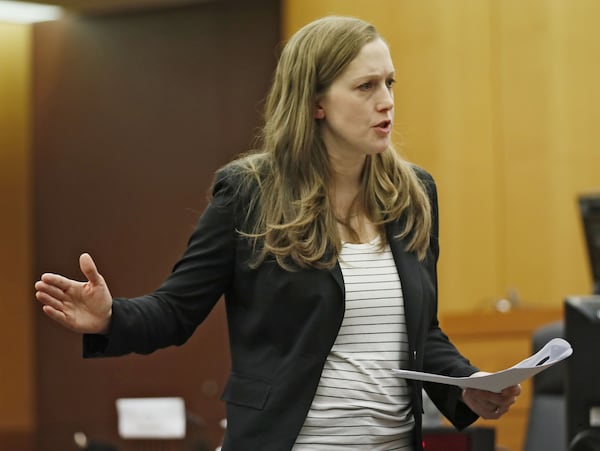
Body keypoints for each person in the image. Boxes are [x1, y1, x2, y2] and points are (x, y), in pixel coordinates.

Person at [35, 15, 521, 451]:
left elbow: (422, 333)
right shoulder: (250, 193)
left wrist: (468, 382)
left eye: (390, 83)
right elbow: (176, 311)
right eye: (366, 87)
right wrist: (109, 317)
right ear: (315, 104)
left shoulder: (414, 194)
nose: (387, 102)